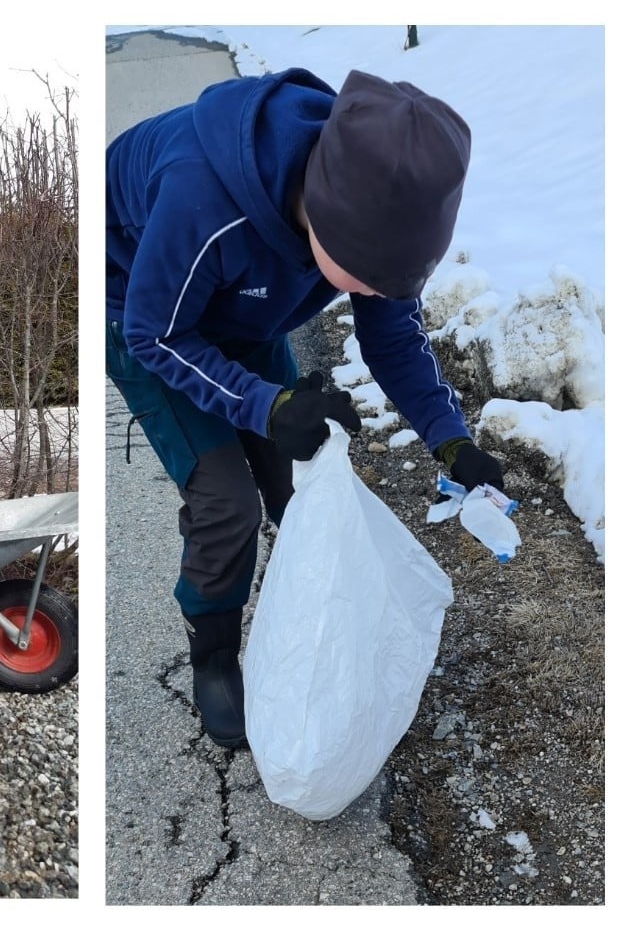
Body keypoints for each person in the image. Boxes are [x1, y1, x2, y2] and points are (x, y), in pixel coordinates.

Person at [105, 67, 504, 749]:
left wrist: (450, 440)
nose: (381, 293)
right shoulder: (203, 196)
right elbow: (157, 332)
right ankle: (214, 654)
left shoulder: (378, 216)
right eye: (372, 280)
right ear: (322, 215)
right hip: (146, 318)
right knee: (227, 501)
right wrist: (266, 405)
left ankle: (310, 625)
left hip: (242, 312)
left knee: (303, 478)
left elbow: (395, 340)